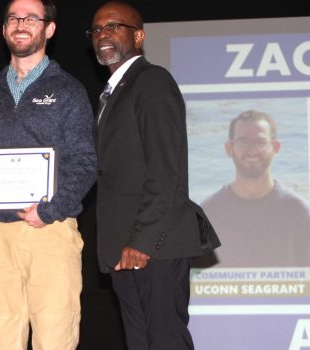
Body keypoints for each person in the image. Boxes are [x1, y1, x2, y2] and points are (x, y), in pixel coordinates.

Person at [0, 0, 96, 348]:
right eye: (13, 17)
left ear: (48, 29)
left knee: (55, 339)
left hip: (50, 231)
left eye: (31, 17)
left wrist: (49, 210)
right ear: (3, 30)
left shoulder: (69, 91)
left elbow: (85, 163)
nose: (21, 23)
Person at [89, 2, 220, 349]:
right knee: (140, 342)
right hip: (124, 247)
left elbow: (166, 169)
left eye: (114, 26)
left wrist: (142, 241)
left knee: (164, 340)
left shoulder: (152, 82)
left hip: (153, 245)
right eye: (97, 29)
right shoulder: (111, 94)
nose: (103, 34)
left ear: (139, 36)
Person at [202, 110, 310, 267]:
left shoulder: (299, 212)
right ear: (229, 148)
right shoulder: (208, 212)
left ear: (276, 147)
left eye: (260, 142)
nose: (252, 150)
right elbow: (198, 281)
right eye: (243, 141)